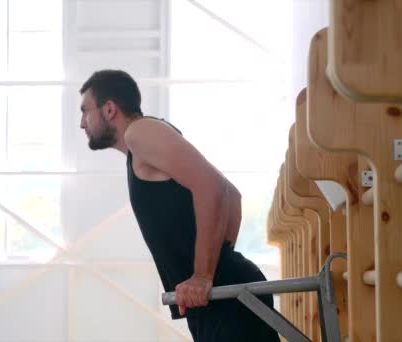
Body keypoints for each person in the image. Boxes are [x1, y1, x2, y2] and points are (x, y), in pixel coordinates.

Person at [79, 69, 279, 341]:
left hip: (226, 297)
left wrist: (205, 274)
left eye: (85, 110)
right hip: (217, 300)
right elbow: (232, 195)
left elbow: (216, 188)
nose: (82, 123)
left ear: (110, 109)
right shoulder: (141, 147)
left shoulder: (140, 132)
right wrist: (214, 268)